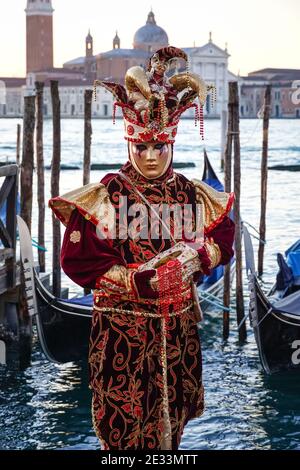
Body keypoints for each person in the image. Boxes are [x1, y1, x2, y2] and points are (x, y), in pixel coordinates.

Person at [49, 46, 235, 450]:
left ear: (171, 144)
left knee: (172, 429)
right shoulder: (109, 195)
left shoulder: (190, 193)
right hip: (122, 337)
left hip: (178, 332)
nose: (150, 157)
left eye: (160, 148)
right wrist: (137, 281)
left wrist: (199, 257)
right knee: (124, 432)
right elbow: (76, 261)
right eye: (141, 148)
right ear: (129, 144)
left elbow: (224, 235)